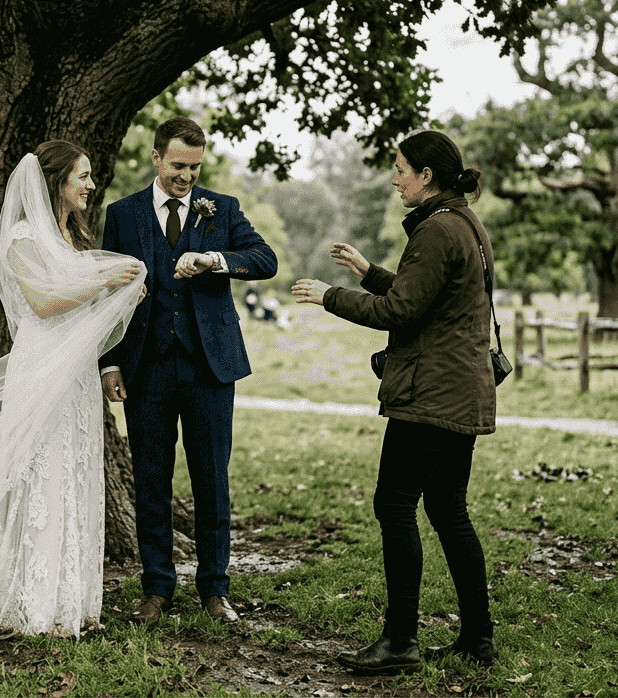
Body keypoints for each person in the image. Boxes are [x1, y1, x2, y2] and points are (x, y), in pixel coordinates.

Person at [0, 141, 146, 639]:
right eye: (81, 176)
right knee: (41, 473)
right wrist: (106, 282)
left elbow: (83, 310)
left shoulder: (72, 236)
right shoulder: (22, 235)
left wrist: (124, 289)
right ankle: (22, 597)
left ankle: (69, 597)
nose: (89, 184)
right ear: (55, 181)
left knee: (73, 470)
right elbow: (41, 302)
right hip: (41, 365)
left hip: (76, 372)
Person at [292, 130, 498, 672]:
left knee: (395, 503)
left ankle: (401, 639)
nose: (394, 177)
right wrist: (368, 272)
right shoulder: (466, 224)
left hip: (429, 395)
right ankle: (478, 640)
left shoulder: (435, 230)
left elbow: (400, 313)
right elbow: (424, 294)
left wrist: (329, 296)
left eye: (402, 168)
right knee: (449, 511)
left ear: (426, 175)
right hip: (459, 391)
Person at [100, 116, 278, 625]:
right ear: (157, 158)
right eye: (178, 165)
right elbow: (108, 296)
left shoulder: (222, 209)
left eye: (195, 167)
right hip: (145, 368)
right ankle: (156, 587)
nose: (187, 176)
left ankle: (215, 590)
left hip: (209, 369)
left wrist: (214, 260)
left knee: (211, 479)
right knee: (150, 479)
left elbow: (264, 259)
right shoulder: (123, 214)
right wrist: (109, 361)